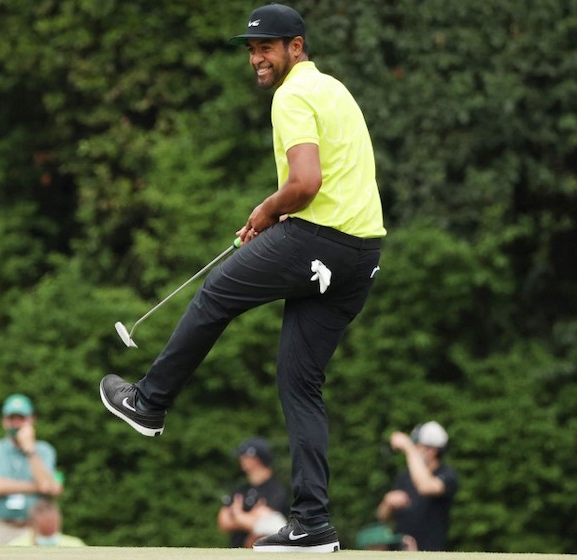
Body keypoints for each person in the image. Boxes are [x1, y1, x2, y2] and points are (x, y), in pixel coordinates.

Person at [99, 2, 385, 553]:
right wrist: (280, 212)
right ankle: (312, 525)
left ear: (295, 47)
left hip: (319, 236)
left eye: (267, 47)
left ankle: (149, 402)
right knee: (300, 382)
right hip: (361, 253)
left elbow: (304, 182)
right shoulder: (335, 89)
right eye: (252, 49)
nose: (257, 58)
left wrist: (268, 208)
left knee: (216, 294)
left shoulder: (294, 94)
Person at [0, 393, 63, 545]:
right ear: (4, 421)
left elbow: (48, 486)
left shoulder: (44, 450)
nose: (16, 424)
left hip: (32, 528)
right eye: (12, 419)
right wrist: (36, 487)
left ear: (31, 420)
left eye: (21, 419)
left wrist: (30, 451)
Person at [376, 421, 458, 551]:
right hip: (400, 552)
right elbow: (382, 517)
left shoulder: (447, 475)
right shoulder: (405, 476)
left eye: (417, 446)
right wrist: (388, 502)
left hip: (430, 553)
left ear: (432, 451)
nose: (414, 450)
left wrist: (408, 447)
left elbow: (425, 487)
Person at [217, 437, 289, 548]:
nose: (241, 459)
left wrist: (237, 514)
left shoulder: (276, 490)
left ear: (255, 459)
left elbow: (267, 526)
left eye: (244, 456)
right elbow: (224, 522)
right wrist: (249, 517)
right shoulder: (241, 489)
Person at [7, 498, 86, 547]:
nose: (50, 528)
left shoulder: (75, 545)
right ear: (33, 523)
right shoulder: (16, 547)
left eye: (52, 527)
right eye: (45, 529)